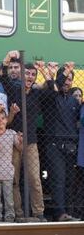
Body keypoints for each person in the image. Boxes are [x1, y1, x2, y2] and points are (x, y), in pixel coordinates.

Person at [0, 51, 52, 222]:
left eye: (33, 74)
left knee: (34, 179)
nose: (30, 76)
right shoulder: (13, 88)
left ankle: (38, 213)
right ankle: (18, 213)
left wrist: (44, 71)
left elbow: (52, 90)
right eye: (27, 73)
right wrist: (7, 57)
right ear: (21, 74)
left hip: (31, 142)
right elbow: (2, 74)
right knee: (14, 179)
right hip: (14, 140)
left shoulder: (38, 93)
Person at [40, 62, 81, 222]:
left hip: (71, 146)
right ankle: (59, 214)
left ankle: (70, 213)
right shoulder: (51, 97)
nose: (67, 82)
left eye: (70, 79)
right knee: (58, 180)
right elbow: (54, 87)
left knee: (70, 182)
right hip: (54, 145)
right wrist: (64, 73)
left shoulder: (74, 101)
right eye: (64, 78)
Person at [0, 110, 22, 223]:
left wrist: (21, 140)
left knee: (8, 197)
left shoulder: (11, 133)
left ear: (7, 120)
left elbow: (20, 148)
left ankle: (10, 215)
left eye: (3, 118)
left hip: (7, 171)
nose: (0, 121)